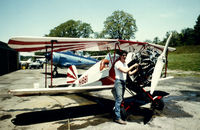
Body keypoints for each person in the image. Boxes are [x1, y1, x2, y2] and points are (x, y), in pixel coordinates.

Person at [112, 50, 139, 125]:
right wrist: (133, 65)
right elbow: (124, 71)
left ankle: (119, 113)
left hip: (123, 82)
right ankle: (117, 118)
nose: (125, 56)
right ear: (120, 56)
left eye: (125, 55)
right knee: (119, 99)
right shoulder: (118, 63)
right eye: (123, 55)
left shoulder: (125, 64)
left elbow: (129, 73)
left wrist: (137, 69)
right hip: (119, 82)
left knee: (121, 99)